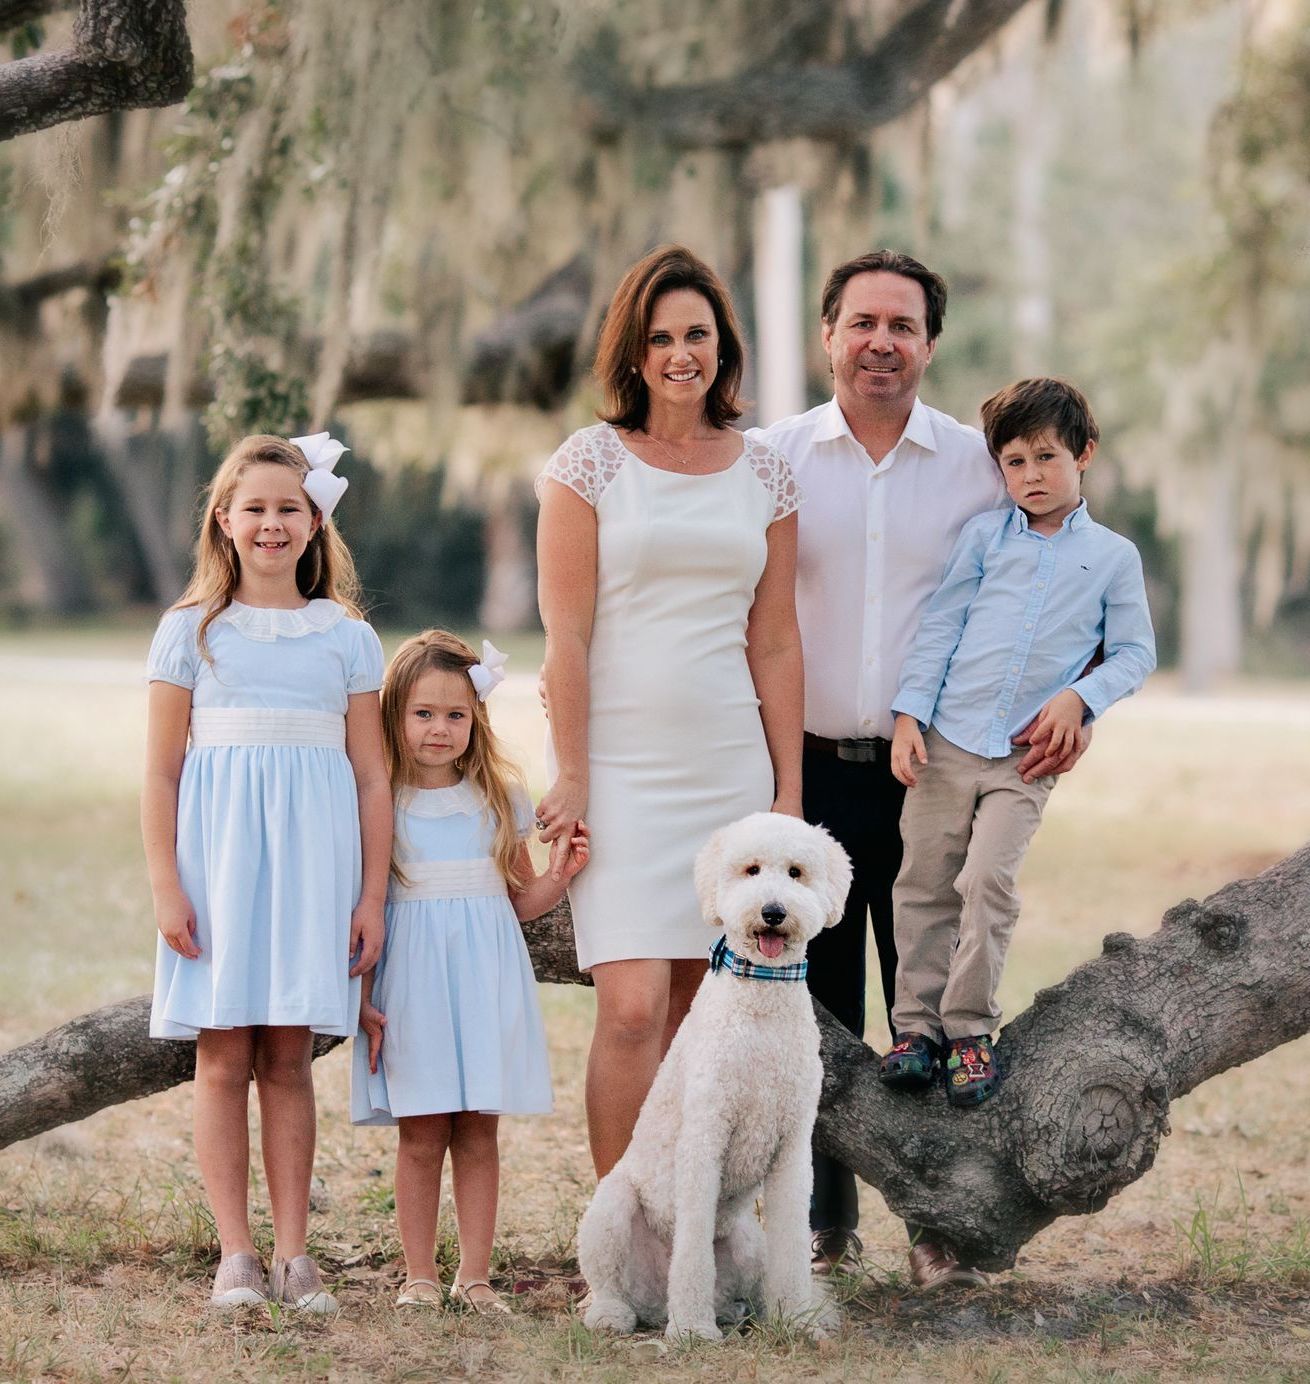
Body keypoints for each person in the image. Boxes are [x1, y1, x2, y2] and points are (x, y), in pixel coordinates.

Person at [755, 251, 1088, 1287]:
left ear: (929, 344)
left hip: (929, 772)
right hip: (800, 768)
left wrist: (1075, 693)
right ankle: (820, 1220)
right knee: (811, 1002)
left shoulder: (974, 463)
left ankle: (938, 1225)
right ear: (826, 334)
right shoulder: (768, 458)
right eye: (861, 321)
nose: (880, 342)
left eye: (901, 325)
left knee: (930, 996)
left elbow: (1055, 567)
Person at [535, 244, 804, 1179]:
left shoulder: (764, 472)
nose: (680, 354)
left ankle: (691, 1233)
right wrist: (572, 772)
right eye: (661, 338)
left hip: (728, 771)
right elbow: (563, 638)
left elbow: (775, 642)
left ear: (723, 345)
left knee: (702, 1016)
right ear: (634, 354)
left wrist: (787, 796)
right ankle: (618, 1238)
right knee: (633, 1009)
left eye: (696, 333)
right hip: (621, 771)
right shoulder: (588, 464)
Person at [142, 432, 391, 1313]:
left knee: (287, 1058)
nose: (272, 523)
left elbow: (370, 775)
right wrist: (168, 887)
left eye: (290, 507)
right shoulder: (190, 633)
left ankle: (295, 1254)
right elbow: (163, 771)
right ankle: (236, 1254)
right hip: (218, 868)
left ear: (316, 519)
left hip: (313, 871)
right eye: (255, 507)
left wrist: (369, 895)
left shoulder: (347, 638)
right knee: (221, 1059)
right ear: (224, 519)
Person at [882, 377, 1156, 1105]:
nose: (1030, 476)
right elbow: (940, 628)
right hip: (946, 740)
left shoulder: (1113, 557)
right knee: (924, 881)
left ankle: (969, 1031)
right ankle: (915, 1030)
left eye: (1046, 457)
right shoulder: (981, 539)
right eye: (1014, 461)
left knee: (987, 883)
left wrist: (1079, 697)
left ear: (1085, 454)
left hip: (1025, 756)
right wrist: (909, 717)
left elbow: (1133, 652)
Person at [351, 630, 589, 1313]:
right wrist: (364, 997)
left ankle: (475, 1277)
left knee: (478, 1129)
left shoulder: (498, 798)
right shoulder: (379, 802)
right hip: (412, 984)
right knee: (422, 1131)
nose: (439, 728)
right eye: (423, 713)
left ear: (476, 718)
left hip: (484, 981)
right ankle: (420, 1275)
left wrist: (561, 876)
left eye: (455, 714)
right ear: (393, 714)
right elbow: (365, 913)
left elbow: (517, 903)